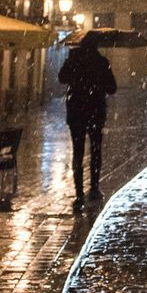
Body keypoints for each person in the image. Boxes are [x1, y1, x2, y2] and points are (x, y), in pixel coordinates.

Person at [58, 36, 117, 212]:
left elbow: (62, 78)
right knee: (96, 150)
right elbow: (112, 88)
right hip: (95, 112)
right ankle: (94, 188)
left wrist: (72, 64)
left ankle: (78, 194)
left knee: (78, 151)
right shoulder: (101, 62)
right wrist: (98, 84)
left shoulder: (74, 59)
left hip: (76, 111)